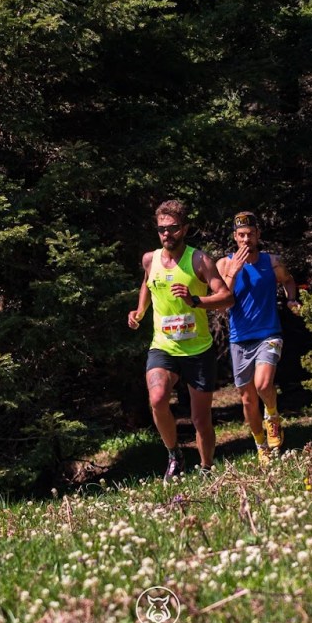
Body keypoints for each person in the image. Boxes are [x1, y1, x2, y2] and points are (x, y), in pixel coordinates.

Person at [128, 200, 234, 481]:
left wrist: (195, 300)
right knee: (157, 398)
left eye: (173, 228)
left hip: (198, 349)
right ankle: (174, 454)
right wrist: (139, 312)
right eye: (161, 229)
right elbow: (147, 283)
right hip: (164, 346)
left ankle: (207, 468)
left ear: (184, 229)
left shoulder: (199, 260)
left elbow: (227, 297)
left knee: (201, 420)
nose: (167, 234)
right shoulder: (150, 260)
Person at [216, 211, 300, 466]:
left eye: (250, 234)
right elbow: (221, 301)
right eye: (241, 235)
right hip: (240, 339)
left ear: (258, 235)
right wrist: (234, 271)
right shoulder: (224, 264)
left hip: (268, 334)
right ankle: (261, 445)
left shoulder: (272, 262)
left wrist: (291, 299)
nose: (246, 240)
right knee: (248, 400)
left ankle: (272, 417)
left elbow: (288, 280)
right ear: (235, 237)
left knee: (263, 385)